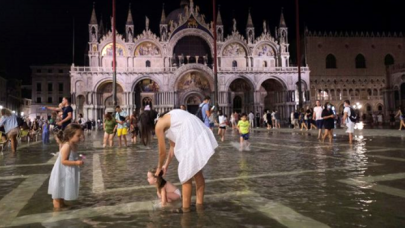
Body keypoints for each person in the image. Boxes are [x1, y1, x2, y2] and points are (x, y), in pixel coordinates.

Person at [139, 109, 218, 212]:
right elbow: (173, 146)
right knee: (196, 173)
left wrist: (159, 168)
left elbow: (162, 152)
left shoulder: (159, 125)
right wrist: (165, 165)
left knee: (185, 177)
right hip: (195, 128)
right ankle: (199, 205)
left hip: (190, 133)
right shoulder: (167, 118)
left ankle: (185, 209)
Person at [48, 124, 84, 209]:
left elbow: (74, 156)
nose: (80, 137)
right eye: (78, 135)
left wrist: (81, 157)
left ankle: (62, 205)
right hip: (61, 171)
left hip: (68, 170)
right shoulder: (67, 146)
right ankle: (56, 210)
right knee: (58, 191)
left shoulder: (74, 145)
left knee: (63, 188)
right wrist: (76, 163)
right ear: (70, 136)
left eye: (81, 135)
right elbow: (63, 161)